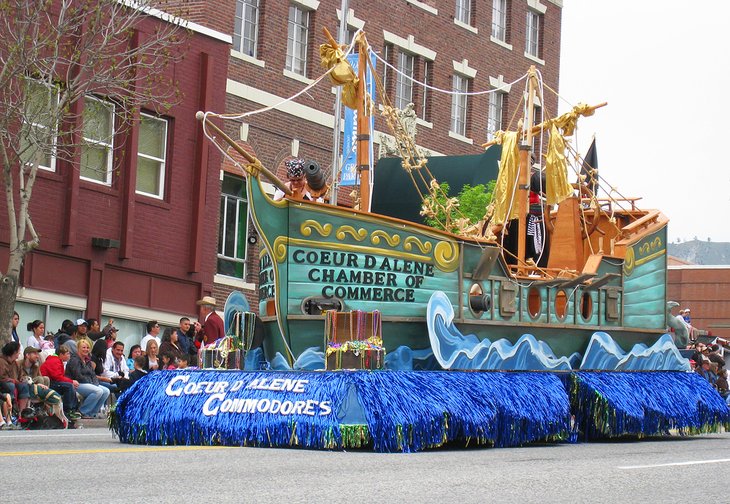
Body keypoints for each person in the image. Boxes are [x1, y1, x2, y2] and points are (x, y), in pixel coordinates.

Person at [64, 337, 110, 419]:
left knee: (106, 391)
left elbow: (93, 374)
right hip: (77, 383)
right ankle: (83, 411)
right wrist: (91, 383)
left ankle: (93, 413)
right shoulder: (74, 360)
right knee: (98, 391)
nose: (86, 349)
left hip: (88, 383)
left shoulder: (88, 361)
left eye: (87, 347)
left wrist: (95, 383)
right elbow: (77, 375)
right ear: (78, 348)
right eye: (83, 347)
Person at [40, 345, 81, 421]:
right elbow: (57, 377)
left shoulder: (56, 360)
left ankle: (74, 409)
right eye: (67, 354)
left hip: (52, 381)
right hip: (48, 383)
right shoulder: (54, 361)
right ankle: (68, 410)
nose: (69, 356)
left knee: (69, 386)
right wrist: (71, 381)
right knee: (68, 386)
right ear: (61, 355)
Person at [0, 341, 30, 413]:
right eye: (18, 351)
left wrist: (22, 378)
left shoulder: (16, 363)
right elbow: (1, 377)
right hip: (3, 384)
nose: (19, 353)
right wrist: (12, 380)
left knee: (24, 385)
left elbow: (21, 375)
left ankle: (21, 413)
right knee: (10, 385)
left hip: (14, 383)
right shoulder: (1, 361)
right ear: (14, 352)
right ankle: (11, 411)